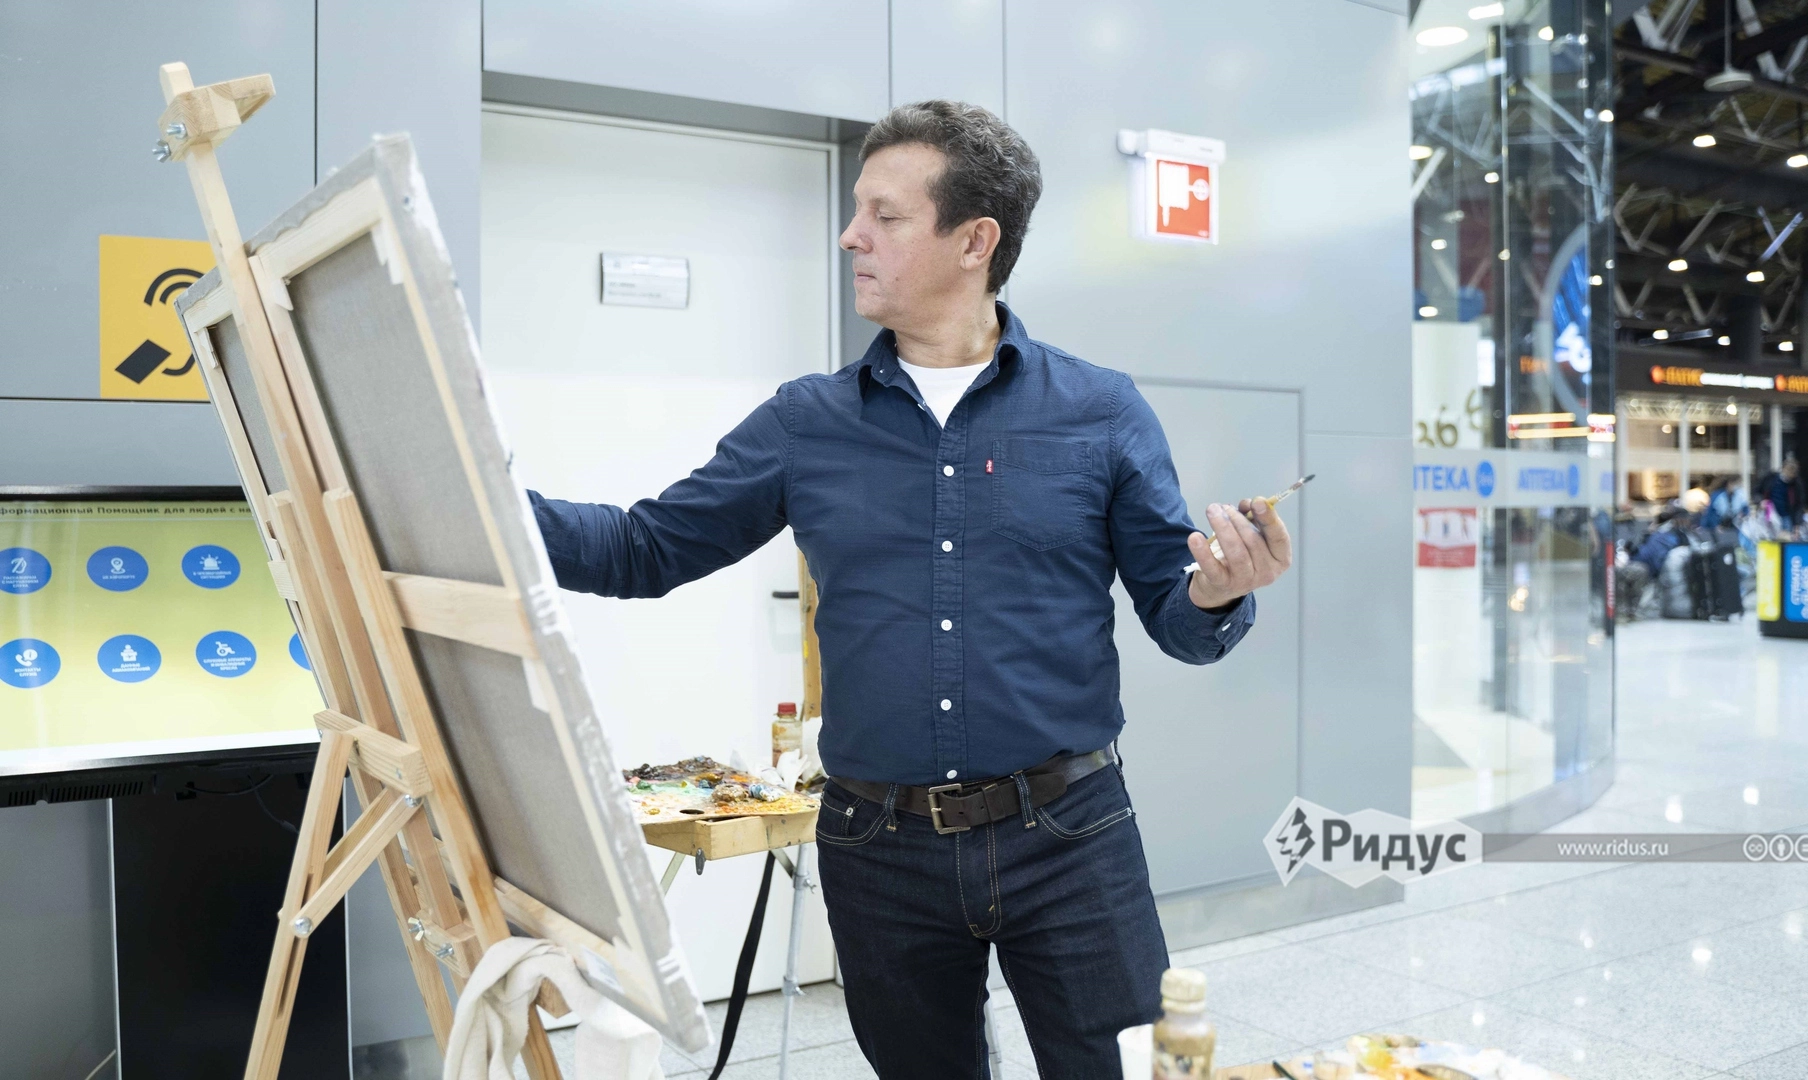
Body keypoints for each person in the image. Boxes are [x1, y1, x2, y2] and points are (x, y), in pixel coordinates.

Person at [527, 101, 1293, 1077]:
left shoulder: (1099, 410)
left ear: (974, 241)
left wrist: (1219, 591)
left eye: (884, 216)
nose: (851, 235)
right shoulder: (805, 422)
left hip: (1070, 836)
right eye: (858, 210)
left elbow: (1176, 616)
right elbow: (645, 549)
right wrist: (475, 502)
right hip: (876, 848)